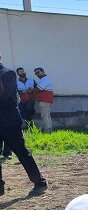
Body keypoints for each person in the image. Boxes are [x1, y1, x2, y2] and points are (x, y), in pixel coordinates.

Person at [0, 52, 47, 197]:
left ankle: (39, 182)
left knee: (22, 152)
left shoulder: (8, 74)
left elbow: (3, 95)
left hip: (9, 122)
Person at [34, 67, 53, 132]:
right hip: (46, 100)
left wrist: (31, 90)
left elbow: (38, 89)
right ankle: (50, 130)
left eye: (38, 72)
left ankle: (47, 131)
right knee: (47, 116)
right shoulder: (44, 79)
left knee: (45, 116)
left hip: (44, 100)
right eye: (36, 73)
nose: (37, 74)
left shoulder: (45, 79)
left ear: (43, 71)